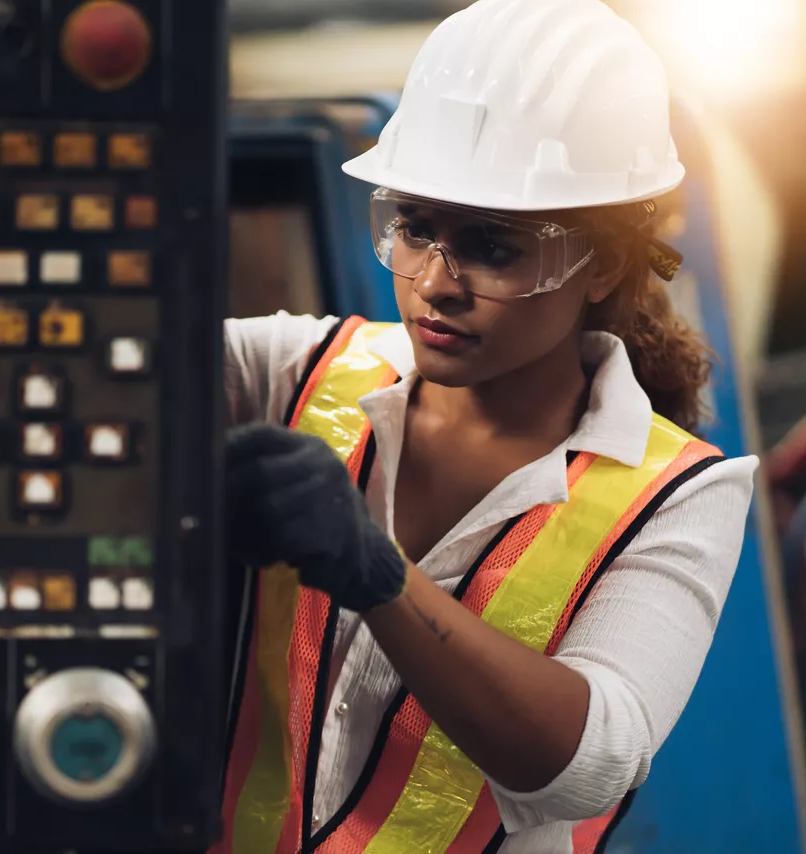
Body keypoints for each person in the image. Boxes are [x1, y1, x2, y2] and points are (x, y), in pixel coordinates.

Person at [215, 0, 757, 852]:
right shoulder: (292, 371)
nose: (436, 281)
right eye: (416, 230)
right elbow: (117, 371)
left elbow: (587, 765)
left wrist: (377, 575)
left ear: (602, 262)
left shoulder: (679, 494)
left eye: (493, 247)